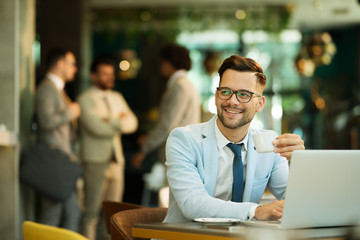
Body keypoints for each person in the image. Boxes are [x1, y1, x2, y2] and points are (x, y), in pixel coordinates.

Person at [163, 55, 305, 223]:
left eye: (244, 94)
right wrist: (255, 210)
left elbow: (299, 202)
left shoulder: (269, 143)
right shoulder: (184, 139)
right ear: (216, 96)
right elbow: (192, 203)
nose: (232, 101)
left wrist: (301, 163)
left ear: (260, 104)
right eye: (225, 92)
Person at [77, 57, 138, 240]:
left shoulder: (117, 97)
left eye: (111, 74)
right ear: (93, 76)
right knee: (92, 212)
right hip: (94, 161)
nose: (109, 77)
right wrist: (119, 121)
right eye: (104, 73)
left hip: (116, 161)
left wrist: (109, 120)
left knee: (114, 214)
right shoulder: (84, 99)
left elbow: (132, 124)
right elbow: (96, 128)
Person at [131, 43, 201, 169]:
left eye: (163, 62)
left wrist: (143, 149)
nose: (161, 66)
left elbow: (167, 125)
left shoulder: (179, 86)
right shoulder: (186, 84)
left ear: (170, 63)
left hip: (177, 153)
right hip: (183, 152)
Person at [36, 48, 81, 231]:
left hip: (61, 163)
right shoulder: (47, 88)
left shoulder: (57, 89)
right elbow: (46, 121)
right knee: (52, 216)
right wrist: (71, 112)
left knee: (71, 212)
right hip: (53, 162)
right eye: (72, 64)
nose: (75, 69)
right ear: (60, 64)